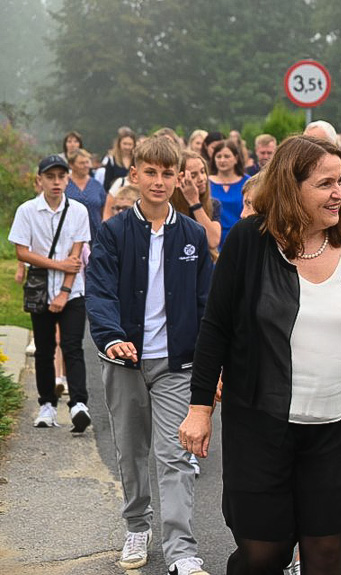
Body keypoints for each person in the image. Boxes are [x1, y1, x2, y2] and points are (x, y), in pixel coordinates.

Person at [178, 135, 341, 575]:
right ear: (291, 188)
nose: (340, 192)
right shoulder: (248, 242)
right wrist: (199, 409)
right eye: (325, 184)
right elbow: (215, 327)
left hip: (336, 430)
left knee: (329, 554)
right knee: (264, 553)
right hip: (261, 427)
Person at [86, 137, 213, 575]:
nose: (159, 182)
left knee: (176, 455)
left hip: (176, 364)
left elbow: (206, 305)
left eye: (167, 173)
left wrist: (212, 366)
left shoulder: (192, 235)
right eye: (151, 173)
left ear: (179, 177)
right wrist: (111, 336)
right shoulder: (114, 231)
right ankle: (137, 524)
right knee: (130, 449)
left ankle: (181, 548)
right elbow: (99, 291)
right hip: (124, 359)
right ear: (135, 175)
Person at [8, 154, 92, 431]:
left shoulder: (78, 211)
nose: (56, 182)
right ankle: (47, 405)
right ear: (39, 180)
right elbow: (22, 251)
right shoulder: (27, 211)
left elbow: (76, 256)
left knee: (72, 347)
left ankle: (79, 403)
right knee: (44, 350)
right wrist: (57, 264)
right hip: (40, 289)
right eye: (50, 177)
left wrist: (64, 293)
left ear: (68, 179)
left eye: (61, 177)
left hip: (72, 291)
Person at [173, 150, 222, 255]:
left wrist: (194, 202)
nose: (201, 178)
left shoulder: (213, 204)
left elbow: (213, 241)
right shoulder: (169, 206)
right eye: (193, 175)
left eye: (203, 171)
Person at [208, 140, 249, 247]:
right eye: (218, 156)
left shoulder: (248, 182)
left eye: (227, 156)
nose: (222, 160)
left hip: (242, 238)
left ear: (236, 158)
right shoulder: (205, 183)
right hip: (213, 239)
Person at [65, 149, 107, 243]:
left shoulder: (96, 185)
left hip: (95, 236)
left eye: (87, 162)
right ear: (71, 165)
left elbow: (104, 209)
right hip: (70, 236)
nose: (86, 166)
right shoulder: (65, 184)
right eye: (81, 163)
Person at [102, 128, 137, 219]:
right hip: (116, 196)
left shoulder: (137, 160)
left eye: (130, 144)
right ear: (119, 144)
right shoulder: (112, 160)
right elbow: (107, 184)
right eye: (125, 144)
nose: (127, 147)